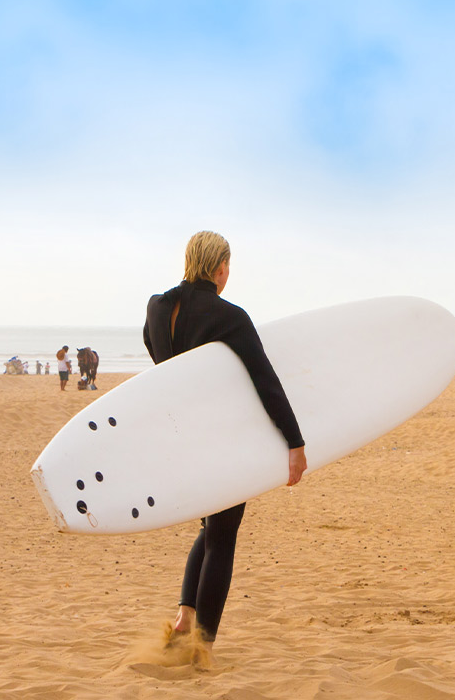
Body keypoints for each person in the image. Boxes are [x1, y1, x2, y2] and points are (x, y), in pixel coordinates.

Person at [143, 230, 307, 657]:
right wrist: (294, 441)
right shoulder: (230, 316)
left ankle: (184, 618)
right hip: (220, 439)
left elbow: (160, 368)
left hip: (181, 439)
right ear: (220, 268)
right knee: (223, 536)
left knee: (211, 528)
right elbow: (264, 380)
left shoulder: (158, 309)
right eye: (228, 267)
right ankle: (203, 645)